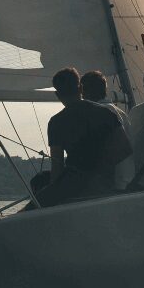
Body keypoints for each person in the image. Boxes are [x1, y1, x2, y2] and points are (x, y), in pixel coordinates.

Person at [32, 67, 129, 207]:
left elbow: (57, 166)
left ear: (58, 95)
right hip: (105, 184)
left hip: (74, 186)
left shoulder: (56, 122)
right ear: (81, 88)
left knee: (34, 195)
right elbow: (124, 150)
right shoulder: (106, 113)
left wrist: (53, 195)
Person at [79, 70, 131, 188]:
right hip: (128, 180)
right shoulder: (121, 113)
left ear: (86, 92)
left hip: (112, 185)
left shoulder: (97, 115)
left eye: (82, 91)